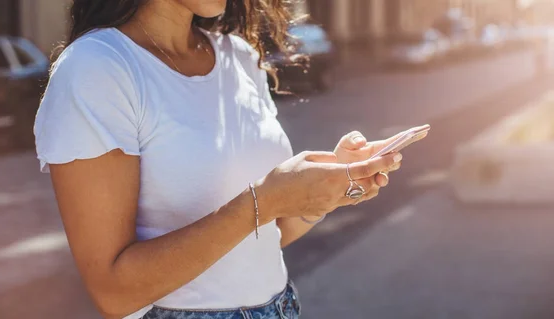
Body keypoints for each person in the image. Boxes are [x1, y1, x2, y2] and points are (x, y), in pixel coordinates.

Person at [34, 1, 412, 318]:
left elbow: (266, 238)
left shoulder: (240, 56)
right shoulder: (97, 67)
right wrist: (263, 201)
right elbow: (113, 292)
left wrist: (325, 190)